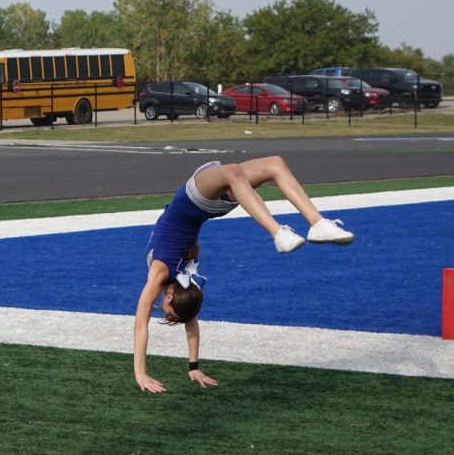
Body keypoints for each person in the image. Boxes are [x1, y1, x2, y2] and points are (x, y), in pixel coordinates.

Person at [133, 156, 354, 394]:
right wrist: (182, 367)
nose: (162, 308)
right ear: (168, 298)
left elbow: (142, 325)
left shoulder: (164, 274)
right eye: (169, 313)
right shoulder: (168, 276)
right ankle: (277, 232)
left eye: (171, 315)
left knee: (275, 164)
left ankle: (317, 222)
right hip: (195, 199)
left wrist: (150, 372)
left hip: (203, 203)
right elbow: (181, 321)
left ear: (171, 298)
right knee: (232, 173)